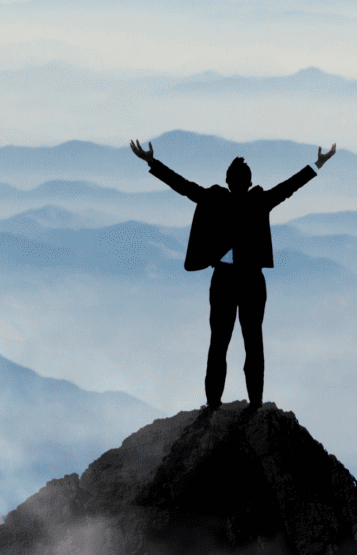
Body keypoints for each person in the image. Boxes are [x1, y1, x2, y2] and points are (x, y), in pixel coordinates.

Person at [129, 138, 337, 410]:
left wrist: (152, 162)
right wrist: (318, 164)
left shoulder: (215, 200)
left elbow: (183, 187)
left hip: (224, 280)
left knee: (219, 343)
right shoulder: (259, 201)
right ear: (249, 183)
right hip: (251, 281)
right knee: (253, 342)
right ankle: (255, 403)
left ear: (227, 182)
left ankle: (213, 403)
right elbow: (290, 187)